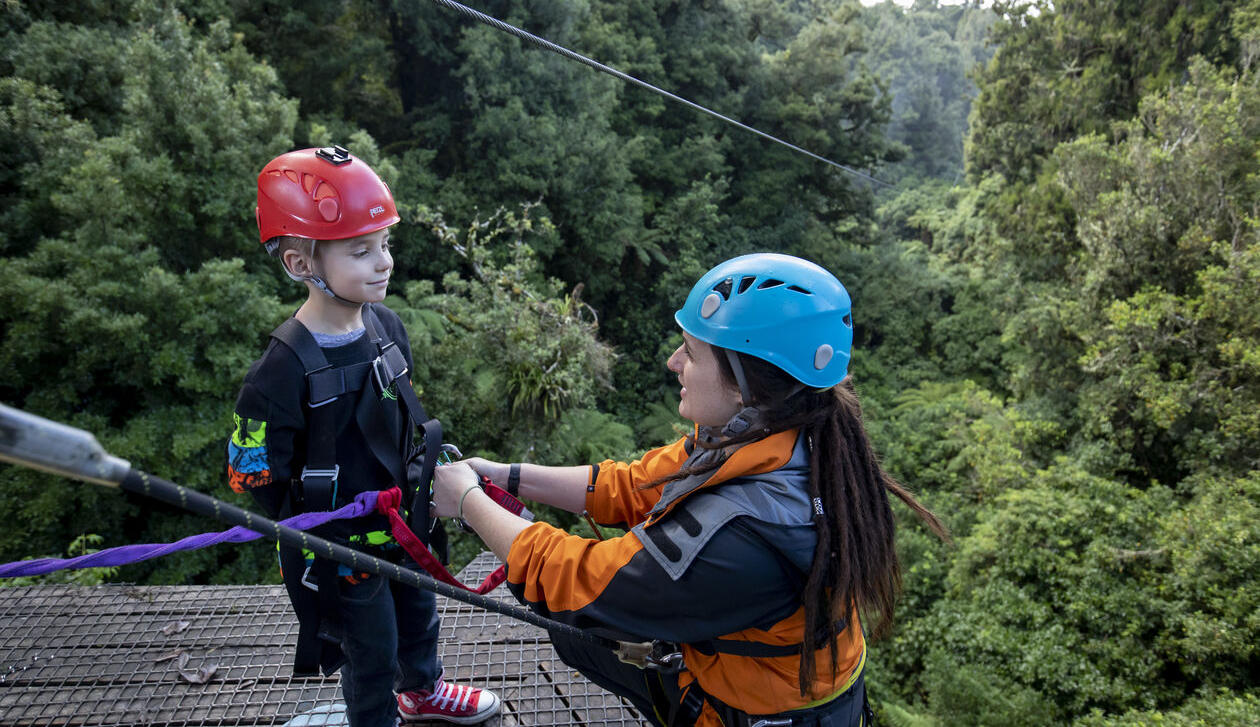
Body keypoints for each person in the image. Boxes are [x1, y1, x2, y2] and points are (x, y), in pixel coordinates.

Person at [431, 253, 948, 726]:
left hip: (753, 713)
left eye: (691, 353)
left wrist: (469, 503)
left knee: (574, 623)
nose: (673, 363)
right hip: (784, 684)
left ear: (747, 382)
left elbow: (582, 583)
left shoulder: (745, 537)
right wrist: (505, 475)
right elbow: (635, 484)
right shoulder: (785, 433)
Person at [226, 145, 501, 726]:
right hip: (341, 544)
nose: (384, 263)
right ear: (302, 264)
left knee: (420, 615)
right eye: (360, 250)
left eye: (384, 245)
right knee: (369, 650)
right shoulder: (278, 373)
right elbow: (249, 469)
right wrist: (313, 523)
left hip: (405, 523)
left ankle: (422, 692)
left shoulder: (387, 328)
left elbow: (396, 420)